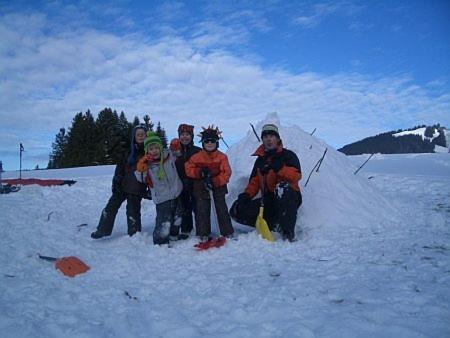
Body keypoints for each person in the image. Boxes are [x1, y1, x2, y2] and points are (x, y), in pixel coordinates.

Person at [229, 124, 302, 242]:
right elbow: (254, 182)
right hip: (270, 201)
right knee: (236, 210)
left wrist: (280, 169)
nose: (269, 139)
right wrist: (246, 196)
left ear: (278, 139)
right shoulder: (260, 161)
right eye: (266, 137)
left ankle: (287, 233)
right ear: (262, 140)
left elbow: (296, 176)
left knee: (283, 188)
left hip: (289, 198)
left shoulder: (288, 156)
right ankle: (273, 224)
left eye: (272, 136)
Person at [91, 125, 148, 239]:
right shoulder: (127, 152)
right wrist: (116, 182)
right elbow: (119, 168)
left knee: (133, 211)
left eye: (143, 134)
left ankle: (134, 234)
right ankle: (102, 230)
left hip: (136, 188)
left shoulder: (149, 152)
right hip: (122, 186)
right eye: (138, 134)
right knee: (110, 207)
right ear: (134, 137)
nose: (141, 136)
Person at [185, 125, 234, 241]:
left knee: (221, 210)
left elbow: (227, 173)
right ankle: (203, 234)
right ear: (203, 143)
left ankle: (227, 232)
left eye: (212, 141)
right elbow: (188, 169)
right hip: (201, 189)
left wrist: (216, 181)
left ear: (217, 142)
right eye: (206, 141)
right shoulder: (196, 157)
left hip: (218, 188)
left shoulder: (222, 157)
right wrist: (199, 172)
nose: (209, 143)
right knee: (202, 211)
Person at [135, 132, 184, 245]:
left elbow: (178, 153)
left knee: (177, 217)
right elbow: (140, 178)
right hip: (162, 197)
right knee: (164, 221)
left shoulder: (168, 155)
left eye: (156, 147)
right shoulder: (147, 164)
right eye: (151, 149)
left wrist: (176, 145)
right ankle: (160, 241)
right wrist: (140, 170)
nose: (154, 151)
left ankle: (174, 235)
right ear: (147, 151)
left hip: (176, 192)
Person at [173, 124, 202, 240]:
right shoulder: (174, 152)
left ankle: (202, 229)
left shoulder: (198, 151)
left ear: (192, 136)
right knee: (184, 207)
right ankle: (186, 229)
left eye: (187, 134)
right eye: (182, 135)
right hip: (180, 184)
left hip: (195, 184)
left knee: (198, 208)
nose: (185, 137)